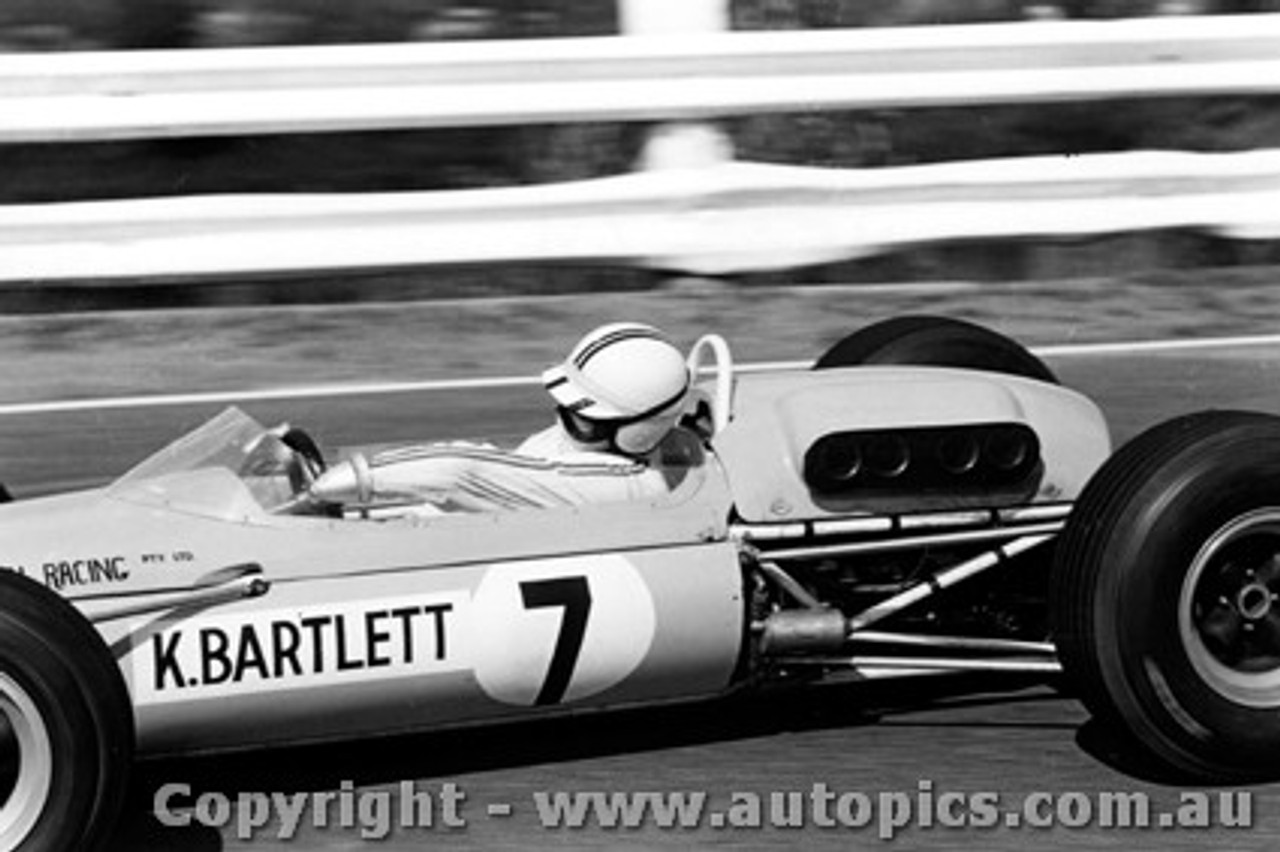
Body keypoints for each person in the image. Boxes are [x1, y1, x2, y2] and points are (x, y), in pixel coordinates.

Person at [305, 322, 700, 513]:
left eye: (585, 419)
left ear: (640, 432)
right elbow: (504, 468)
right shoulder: (585, 447)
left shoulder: (626, 487)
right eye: (566, 408)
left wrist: (329, 488)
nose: (568, 423)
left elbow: (461, 472)